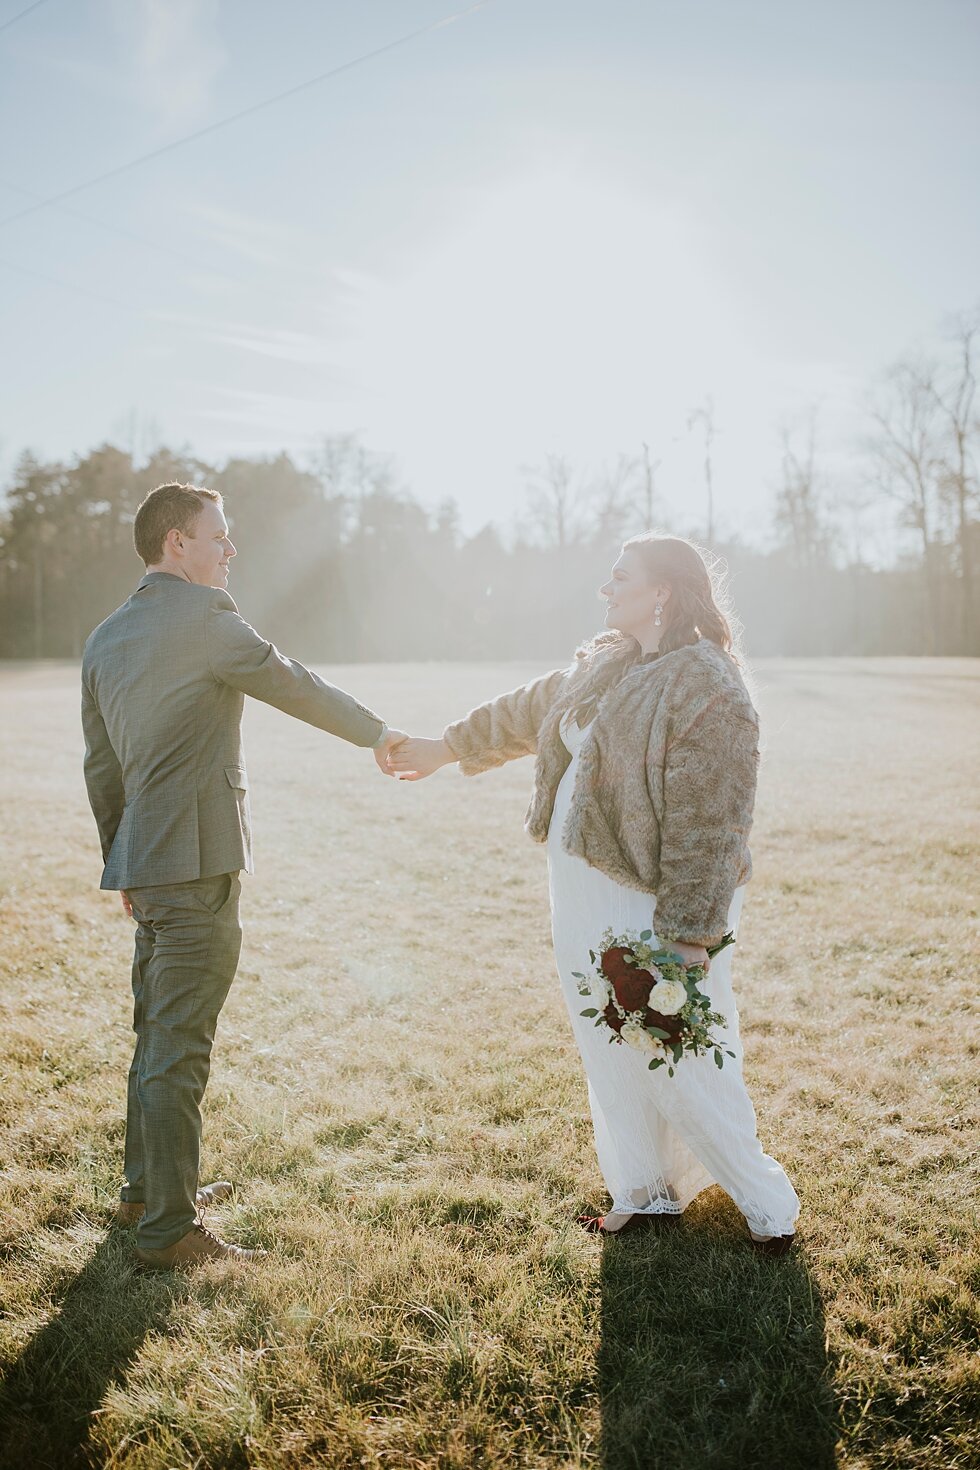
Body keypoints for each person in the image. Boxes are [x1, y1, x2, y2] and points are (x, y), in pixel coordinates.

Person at [388, 532, 800, 1252]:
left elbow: (716, 819)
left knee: (678, 1048)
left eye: (620, 578)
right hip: (581, 894)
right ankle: (644, 1189)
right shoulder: (605, 664)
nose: (605, 591)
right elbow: (524, 712)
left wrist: (688, 934)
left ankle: (767, 1205)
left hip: (655, 901)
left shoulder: (704, 681)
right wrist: (442, 749)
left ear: (662, 591)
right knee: (607, 1042)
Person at [81, 481, 405, 1270]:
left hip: (148, 869)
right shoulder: (206, 618)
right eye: (217, 536)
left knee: (153, 1037)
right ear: (175, 544)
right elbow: (290, 680)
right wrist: (378, 733)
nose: (230, 550)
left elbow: (100, 765)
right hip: (193, 871)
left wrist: (119, 858)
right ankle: (168, 1233)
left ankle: (144, 1192)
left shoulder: (105, 636)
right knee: (176, 1049)